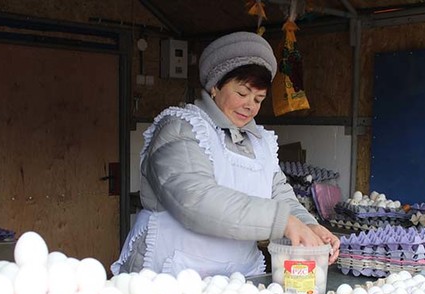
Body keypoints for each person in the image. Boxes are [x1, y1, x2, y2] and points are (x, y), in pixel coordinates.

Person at [111, 31, 340, 278]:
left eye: (258, 98)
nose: (250, 105)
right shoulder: (181, 128)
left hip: (232, 276)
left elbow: (279, 194)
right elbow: (195, 200)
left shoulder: (259, 142)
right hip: (170, 272)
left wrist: (307, 224)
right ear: (215, 86)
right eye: (242, 93)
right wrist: (282, 221)